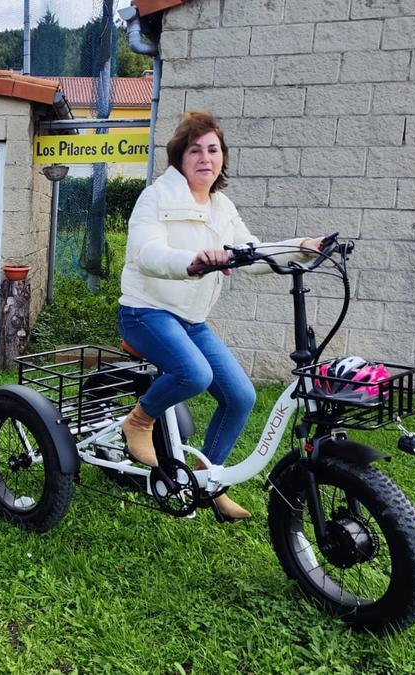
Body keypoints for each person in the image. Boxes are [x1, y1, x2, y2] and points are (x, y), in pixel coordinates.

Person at [117, 111, 320, 521]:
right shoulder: (156, 197)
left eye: (213, 150)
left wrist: (300, 246)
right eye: (195, 150)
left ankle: (205, 481)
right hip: (145, 312)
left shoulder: (221, 207)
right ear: (180, 157)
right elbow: (146, 252)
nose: (205, 158)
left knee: (241, 396)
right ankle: (138, 422)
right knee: (195, 374)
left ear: (222, 158)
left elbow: (252, 251)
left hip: (190, 321)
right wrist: (193, 261)